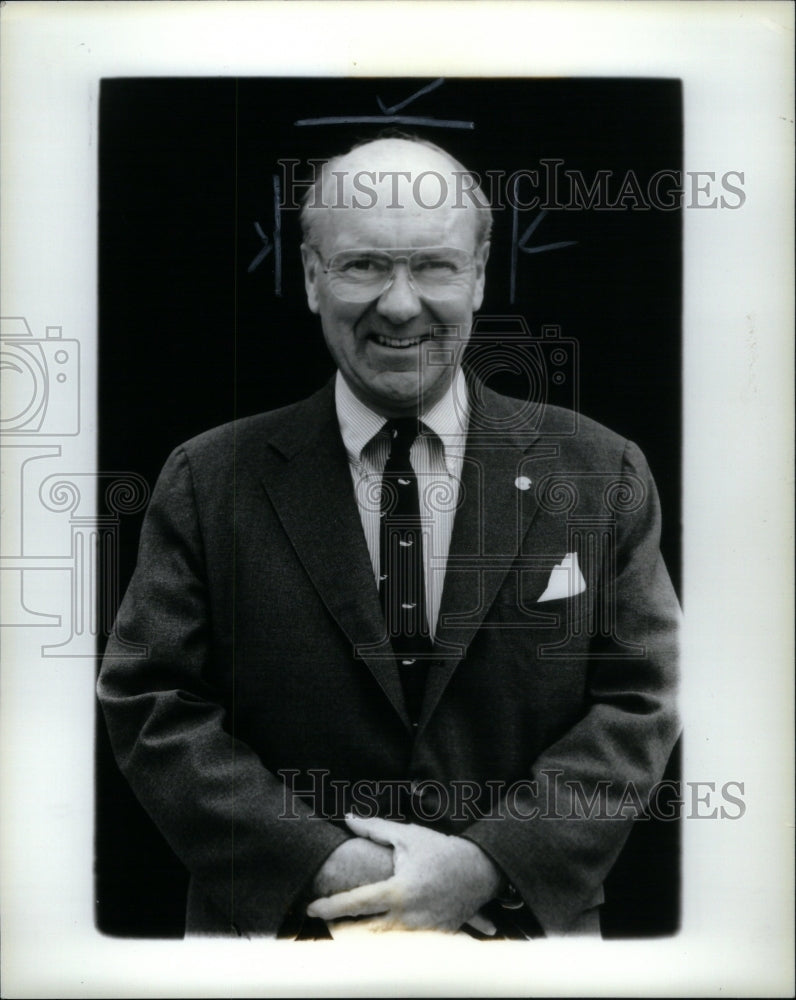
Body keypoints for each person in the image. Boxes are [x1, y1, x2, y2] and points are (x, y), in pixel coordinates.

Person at [98, 135, 680, 939]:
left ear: (479, 276)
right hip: (276, 948)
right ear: (311, 277)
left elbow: (644, 700)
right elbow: (150, 703)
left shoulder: (599, 471)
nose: (401, 304)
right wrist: (330, 865)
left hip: (520, 946)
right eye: (364, 265)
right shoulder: (208, 479)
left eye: (434, 266)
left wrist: (486, 867)